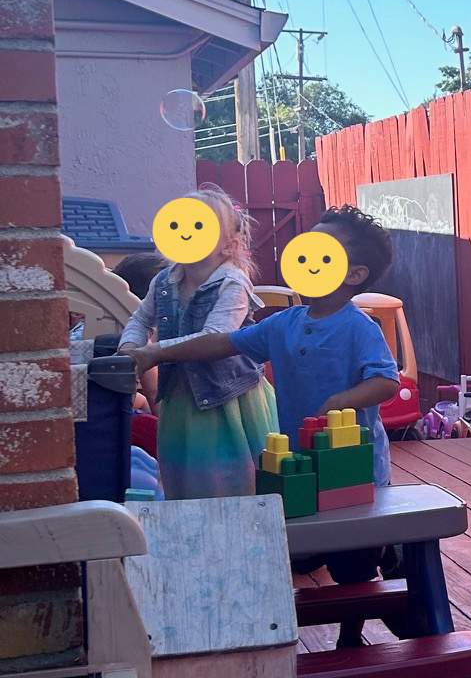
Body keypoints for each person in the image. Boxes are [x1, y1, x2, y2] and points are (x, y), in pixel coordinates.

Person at [125, 205, 401, 605]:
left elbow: (386, 380)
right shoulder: (284, 323)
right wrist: (158, 353)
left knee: (352, 562)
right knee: (301, 538)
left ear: (353, 274)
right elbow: (221, 343)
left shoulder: (359, 326)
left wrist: (340, 402)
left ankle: (357, 622)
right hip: (296, 457)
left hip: (352, 461)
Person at [118, 186, 276, 499]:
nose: (184, 232)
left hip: (228, 400)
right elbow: (140, 320)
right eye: (176, 225)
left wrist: (155, 353)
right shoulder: (164, 281)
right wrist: (129, 349)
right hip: (181, 398)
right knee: (185, 476)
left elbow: (215, 338)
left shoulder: (233, 282)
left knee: (231, 477)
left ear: (228, 244)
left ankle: (238, 533)